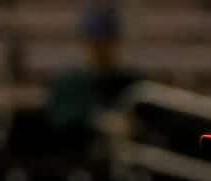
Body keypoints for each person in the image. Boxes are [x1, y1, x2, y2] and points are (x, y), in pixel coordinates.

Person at [44, 4, 140, 147]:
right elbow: (58, 120)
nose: (100, 49)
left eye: (106, 42)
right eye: (95, 43)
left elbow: (149, 123)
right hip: (80, 157)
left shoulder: (132, 82)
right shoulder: (68, 83)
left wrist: (133, 125)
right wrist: (96, 121)